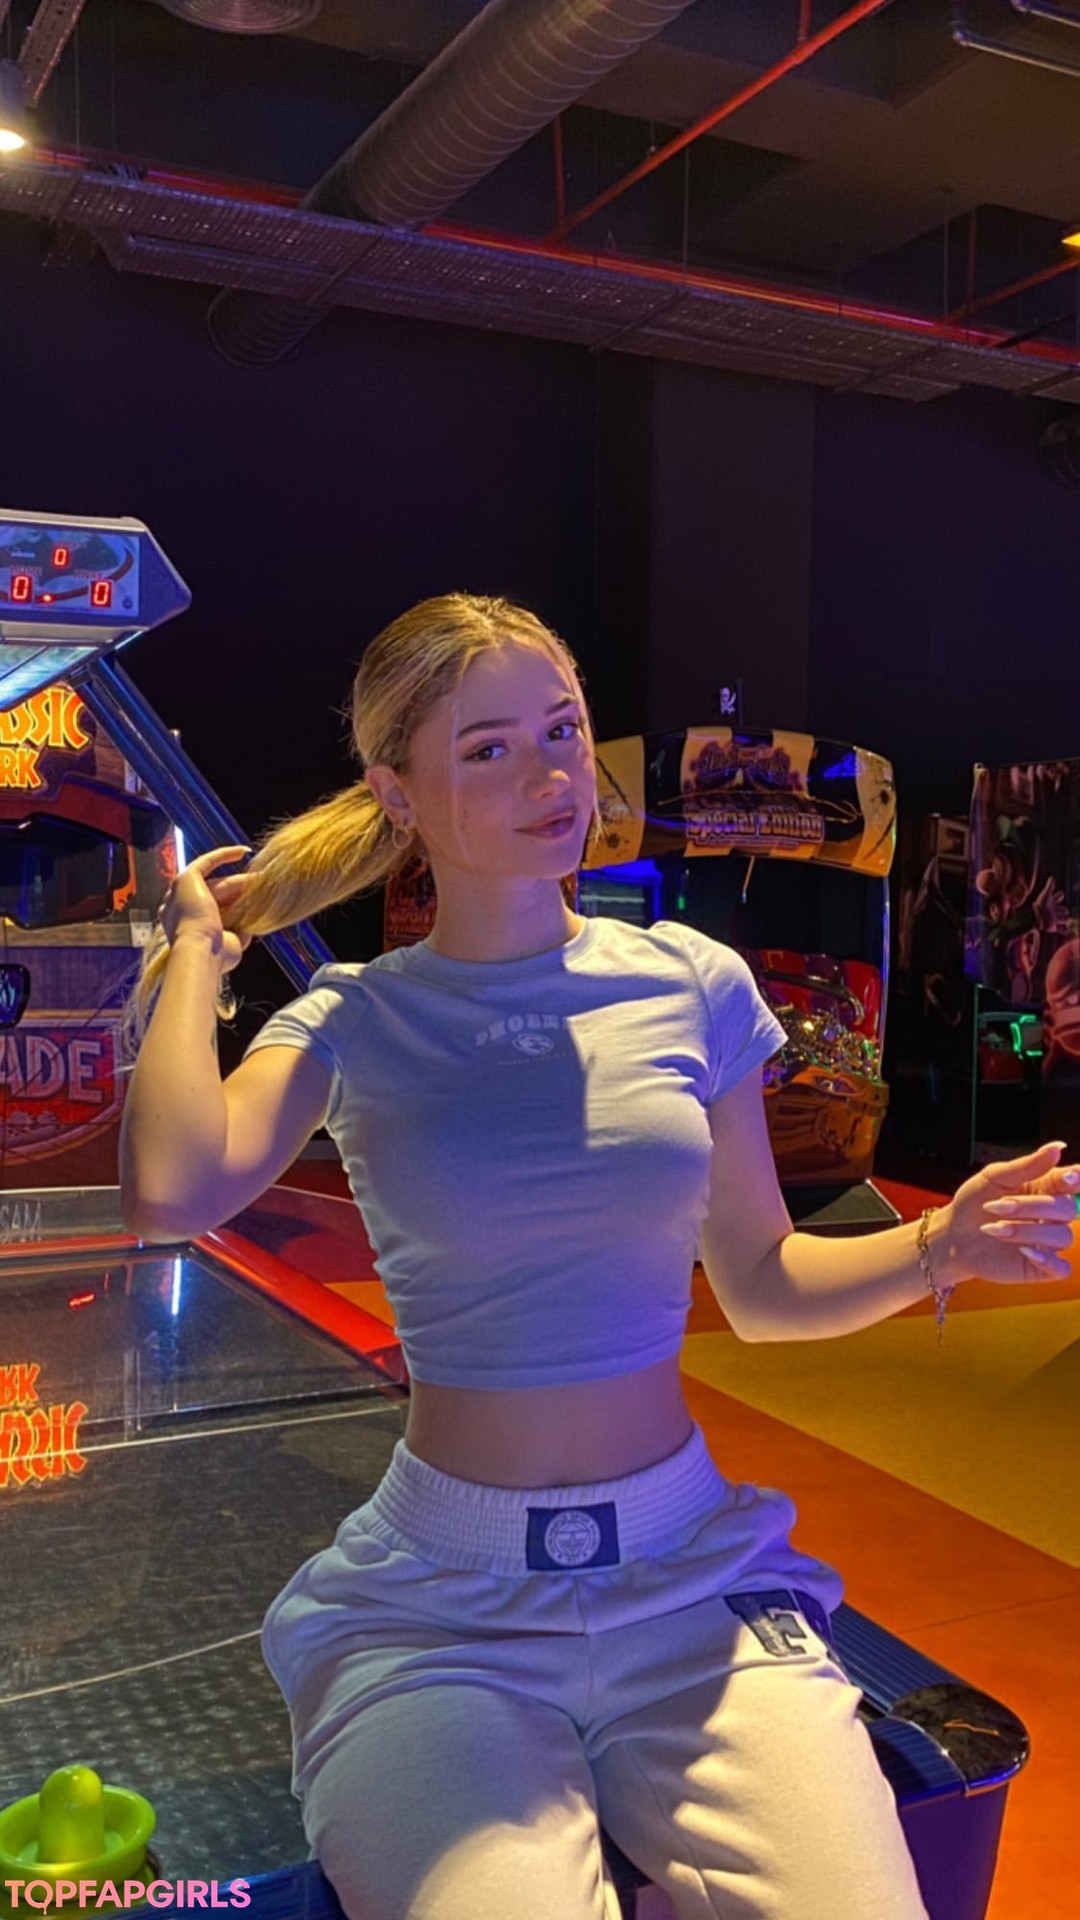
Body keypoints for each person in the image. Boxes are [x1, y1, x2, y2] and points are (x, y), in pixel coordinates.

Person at [121, 593, 1079, 1920]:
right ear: (396, 792)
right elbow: (173, 1189)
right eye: (488, 749)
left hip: (688, 1578)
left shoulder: (694, 982)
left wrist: (938, 1245)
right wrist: (193, 948)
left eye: (563, 730)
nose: (550, 774)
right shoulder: (355, 1018)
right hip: (440, 1613)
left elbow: (762, 1283)